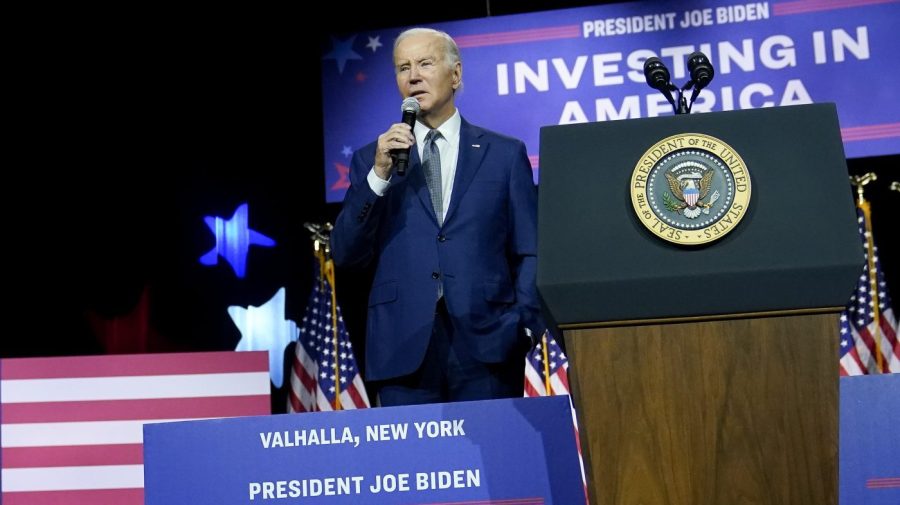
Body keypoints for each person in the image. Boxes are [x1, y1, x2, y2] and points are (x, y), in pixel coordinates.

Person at [331, 27, 543, 406]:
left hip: (489, 343)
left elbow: (531, 249)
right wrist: (378, 177)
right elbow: (346, 253)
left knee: (495, 461)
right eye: (402, 68)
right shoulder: (372, 159)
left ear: (456, 74)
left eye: (425, 63)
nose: (413, 76)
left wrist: (524, 325)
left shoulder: (504, 154)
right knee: (414, 465)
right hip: (402, 346)